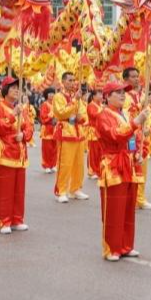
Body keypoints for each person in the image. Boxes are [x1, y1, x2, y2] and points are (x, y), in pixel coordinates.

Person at [96, 81, 150, 261]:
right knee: (114, 208)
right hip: (112, 165)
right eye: (117, 92)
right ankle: (112, 248)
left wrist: (137, 154)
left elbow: (130, 138)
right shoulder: (103, 115)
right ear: (107, 96)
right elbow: (115, 135)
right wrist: (136, 122)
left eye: (123, 92)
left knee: (128, 208)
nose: (122, 95)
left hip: (128, 163)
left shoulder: (125, 114)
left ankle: (126, 245)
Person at [0, 78, 33, 234]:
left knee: (19, 190)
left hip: (20, 154)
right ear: (5, 90)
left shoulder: (21, 108)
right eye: (13, 88)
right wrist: (13, 115)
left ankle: (17, 219)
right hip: (5, 153)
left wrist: (24, 134)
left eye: (17, 88)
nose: (16, 90)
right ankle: (3, 221)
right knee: (5, 191)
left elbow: (29, 126)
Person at [53, 72, 89, 203]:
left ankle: (75, 189)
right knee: (65, 163)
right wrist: (75, 101)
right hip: (66, 132)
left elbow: (83, 113)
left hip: (78, 132)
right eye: (69, 80)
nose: (72, 82)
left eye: (74, 80)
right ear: (63, 81)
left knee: (79, 163)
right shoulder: (58, 96)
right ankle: (61, 190)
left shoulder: (77, 97)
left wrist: (82, 117)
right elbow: (60, 113)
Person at [123, 67, 151, 210]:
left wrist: (149, 127)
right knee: (130, 167)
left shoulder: (142, 95)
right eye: (133, 76)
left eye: (137, 76)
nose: (136, 78)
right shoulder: (124, 96)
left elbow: (148, 114)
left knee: (142, 168)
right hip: (130, 136)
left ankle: (140, 198)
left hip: (142, 137)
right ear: (126, 79)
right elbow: (126, 117)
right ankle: (129, 198)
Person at [39, 88, 57, 173]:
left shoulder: (56, 104)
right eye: (49, 94)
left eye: (53, 93)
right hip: (47, 129)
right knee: (47, 149)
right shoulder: (44, 105)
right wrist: (50, 115)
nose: (51, 95)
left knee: (54, 148)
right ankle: (46, 165)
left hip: (55, 129)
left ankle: (53, 164)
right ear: (47, 95)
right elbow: (43, 117)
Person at [86, 89, 103, 179]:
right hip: (93, 132)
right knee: (93, 152)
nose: (101, 96)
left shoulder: (100, 105)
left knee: (100, 153)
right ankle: (92, 171)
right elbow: (94, 115)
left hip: (100, 132)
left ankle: (98, 170)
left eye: (101, 94)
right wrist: (104, 112)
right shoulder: (91, 105)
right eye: (99, 94)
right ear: (93, 96)